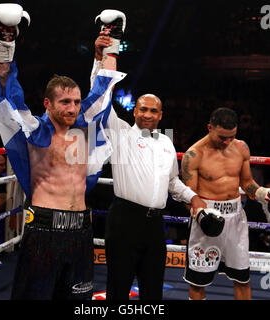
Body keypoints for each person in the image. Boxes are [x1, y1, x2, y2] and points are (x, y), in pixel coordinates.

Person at [0, 4, 125, 299]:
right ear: (48, 104)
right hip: (43, 229)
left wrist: (109, 45)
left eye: (76, 102)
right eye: (65, 102)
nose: (73, 108)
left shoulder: (83, 126)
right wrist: (4, 41)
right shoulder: (36, 131)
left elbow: (104, 90)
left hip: (81, 229)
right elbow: (6, 94)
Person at [93, 25, 207, 300]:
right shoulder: (119, 132)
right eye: (142, 109)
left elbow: (171, 182)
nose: (147, 114)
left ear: (160, 115)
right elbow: (99, 99)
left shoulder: (166, 142)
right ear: (135, 111)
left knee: (153, 290)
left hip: (156, 225)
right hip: (124, 220)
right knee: (118, 289)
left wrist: (193, 198)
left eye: (153, 111)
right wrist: (101, 59)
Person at [181, 107, 270, 300]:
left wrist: (265, 195)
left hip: (236, 219)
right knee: (198, 281)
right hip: (207, 218)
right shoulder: (194, 155)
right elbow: (189, 196)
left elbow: (247, 183)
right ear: (209, 127)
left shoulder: (241, 148)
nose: (227, 142)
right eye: (222, 137)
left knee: (242, 278)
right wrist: (201, 216)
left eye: (232, 137)